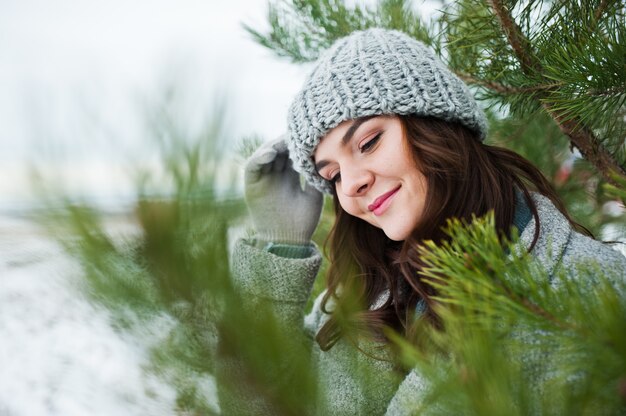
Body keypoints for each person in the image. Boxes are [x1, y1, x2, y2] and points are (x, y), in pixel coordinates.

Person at [227, 28, 626, 415]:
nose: (351, 184)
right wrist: (282, 243)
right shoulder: (358, 297)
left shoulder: (598, 288)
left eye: (368, 143)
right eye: (332, 175)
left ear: (435, 124)